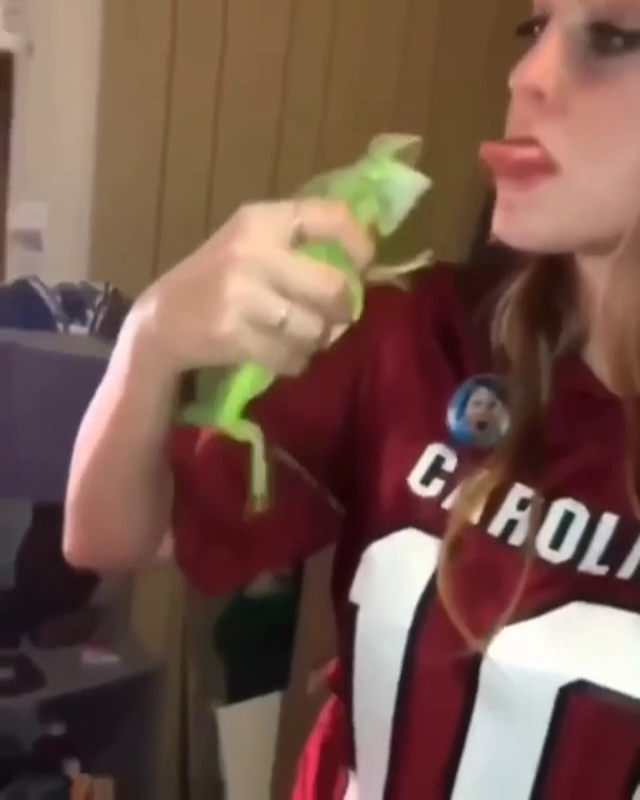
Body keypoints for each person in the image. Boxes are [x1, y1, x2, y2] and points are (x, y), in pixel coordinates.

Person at [63, 0, 640, 795]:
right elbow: (104, 535)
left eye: (612, 37)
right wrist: (152, 337)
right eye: (533, 29)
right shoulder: (413, 332)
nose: (525, 76)